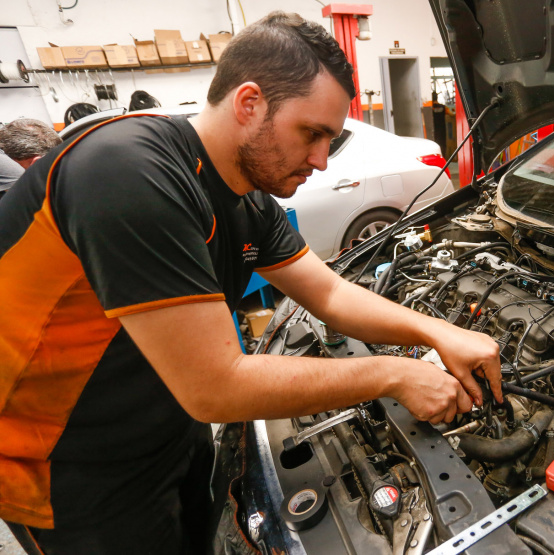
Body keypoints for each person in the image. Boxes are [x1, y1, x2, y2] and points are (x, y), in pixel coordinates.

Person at [0, 11, 502, 555]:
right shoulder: (127, 174)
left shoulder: (244, 195)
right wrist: (394, 374)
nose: (319, 160)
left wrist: (437, 334)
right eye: (312, 134)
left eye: (329, 141)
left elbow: (329, 293)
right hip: (70, 467)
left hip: (167, 429)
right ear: (249, 103)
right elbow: (214, 385)